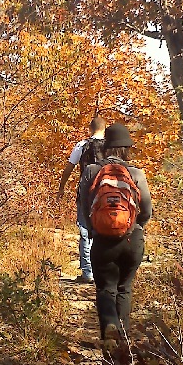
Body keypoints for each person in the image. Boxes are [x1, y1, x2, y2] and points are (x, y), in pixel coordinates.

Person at [79, 122, 152, 349]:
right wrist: (136, 227)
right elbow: (147, 210)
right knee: (124, 288)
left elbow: (84, 206)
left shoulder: (92, 171)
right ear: (127, 148)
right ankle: (124, 340)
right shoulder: (136, 173)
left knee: (105, 288)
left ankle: (110, 329)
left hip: (102, 239)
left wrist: (94, 229)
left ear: (105, 147)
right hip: (132, 239)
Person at [57, 116, 106, 283]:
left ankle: (88, 273)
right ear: (104, 129)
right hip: (106, 193)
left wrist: (62, 188)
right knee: (105, 230)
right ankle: (104, 271)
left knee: (85, 231)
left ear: (90, 129)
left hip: (86, 193)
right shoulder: (111, 147)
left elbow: (69, 168)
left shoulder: (82, 145)